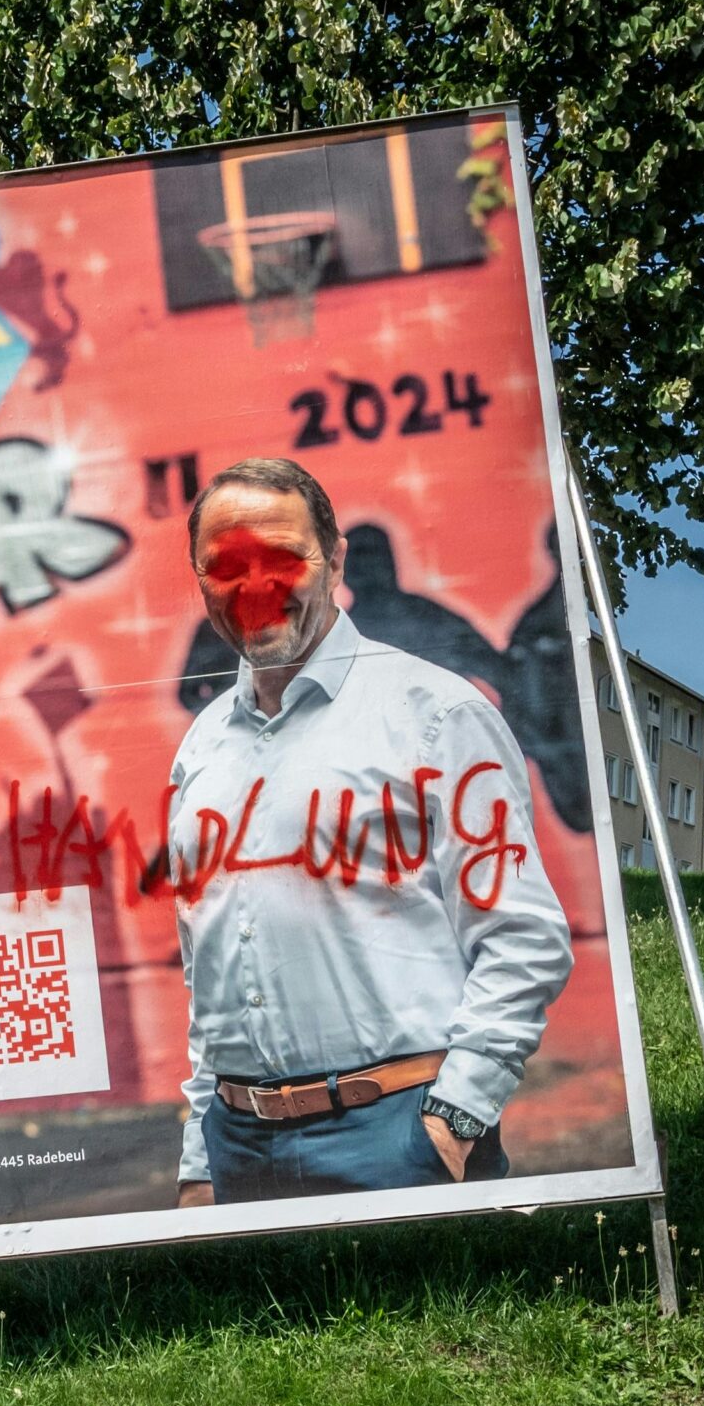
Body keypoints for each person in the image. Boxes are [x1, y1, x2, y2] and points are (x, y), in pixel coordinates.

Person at [169, 457, 573, 1205]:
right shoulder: (201, 749)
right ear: (198, 576)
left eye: (285, 559)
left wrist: (453, 1120)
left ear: (337, 560)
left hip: (398, 1134)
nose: (256, 588)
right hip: (237, 1148)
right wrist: (201, 1156)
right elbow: (212, 970)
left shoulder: (434, 713)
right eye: (225, 565)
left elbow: (522, 936)